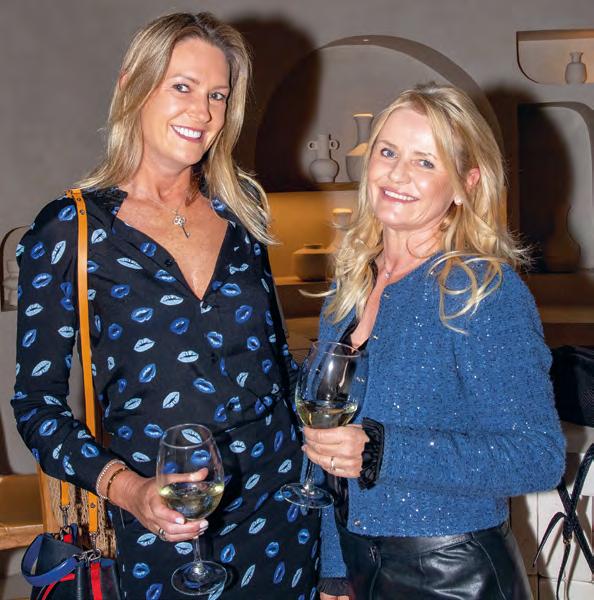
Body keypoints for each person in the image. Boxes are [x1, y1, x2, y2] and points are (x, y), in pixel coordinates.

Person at [11, 12, 319, 599]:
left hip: (282, 508)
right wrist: (129, 491)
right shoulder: (71, 230)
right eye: (183, 86)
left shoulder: (242, 212)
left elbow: (278, 369)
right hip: (162, 519)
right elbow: (36, 406)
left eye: (218, 95)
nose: (202, 112)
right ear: (133, 84)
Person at [302, 83, 566, 599]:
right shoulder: (350, 284)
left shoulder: (482, 290)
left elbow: (538, 456)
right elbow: (330, 449)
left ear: (466, 183)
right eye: (388, 152)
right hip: (360, 566)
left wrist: (383, 452)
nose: (397, 174)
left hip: (453, 576)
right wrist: (334, 570)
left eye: (426, 161)